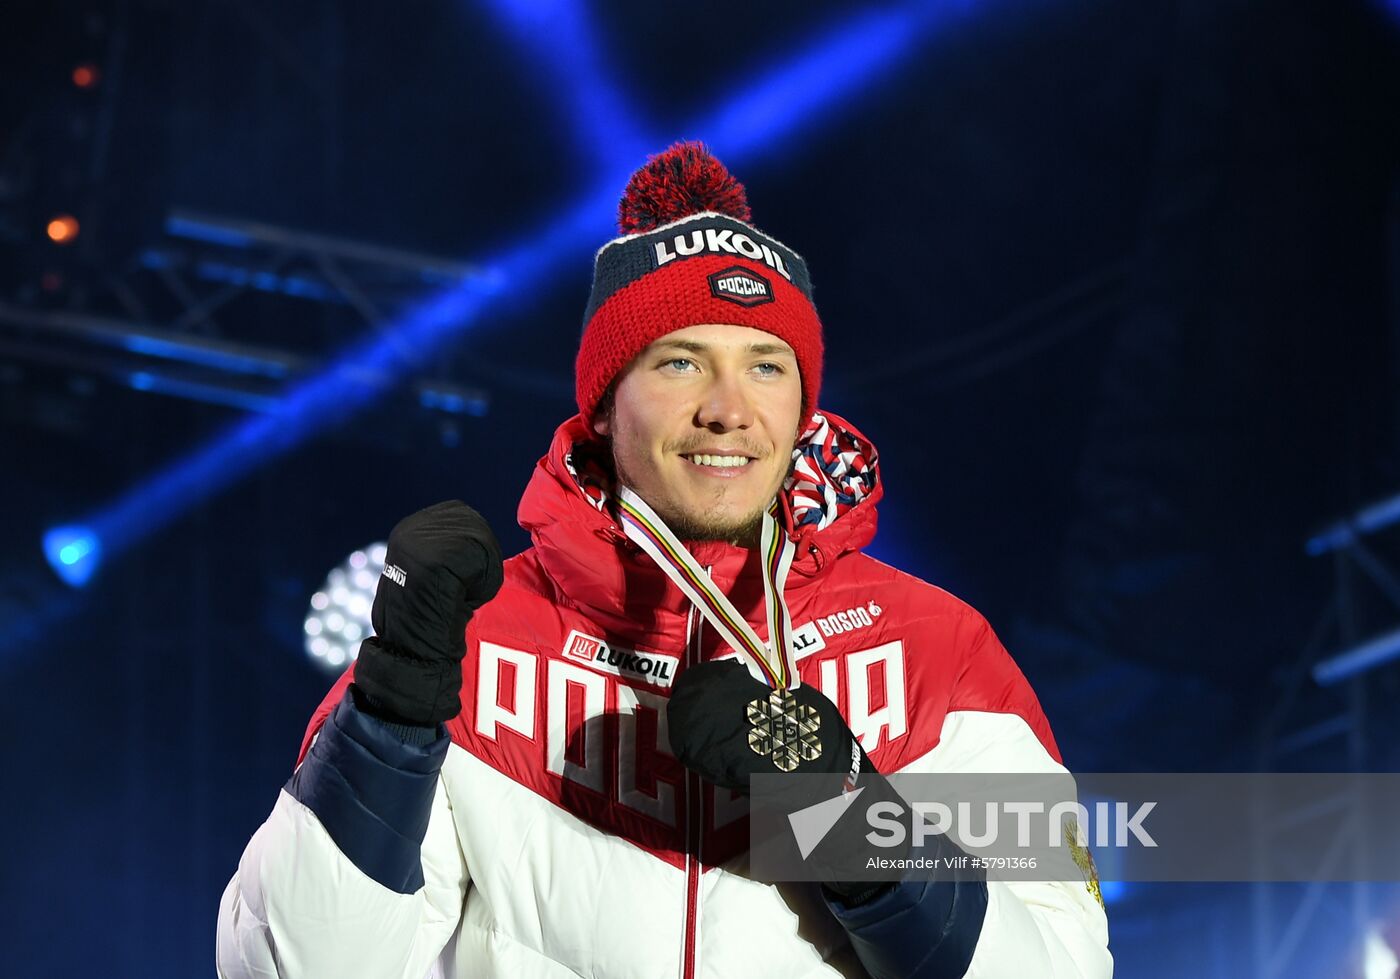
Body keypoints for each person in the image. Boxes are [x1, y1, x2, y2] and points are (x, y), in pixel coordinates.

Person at [216, 143, 1112, 978]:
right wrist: (387, 725)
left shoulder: (934, 649)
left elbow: (1062, 962)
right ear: (605, 405)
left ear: (803, 406)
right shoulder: (480, 641)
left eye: (766, 366)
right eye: (680, 361)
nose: (728, 408)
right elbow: (295, 966)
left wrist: (850, 817)